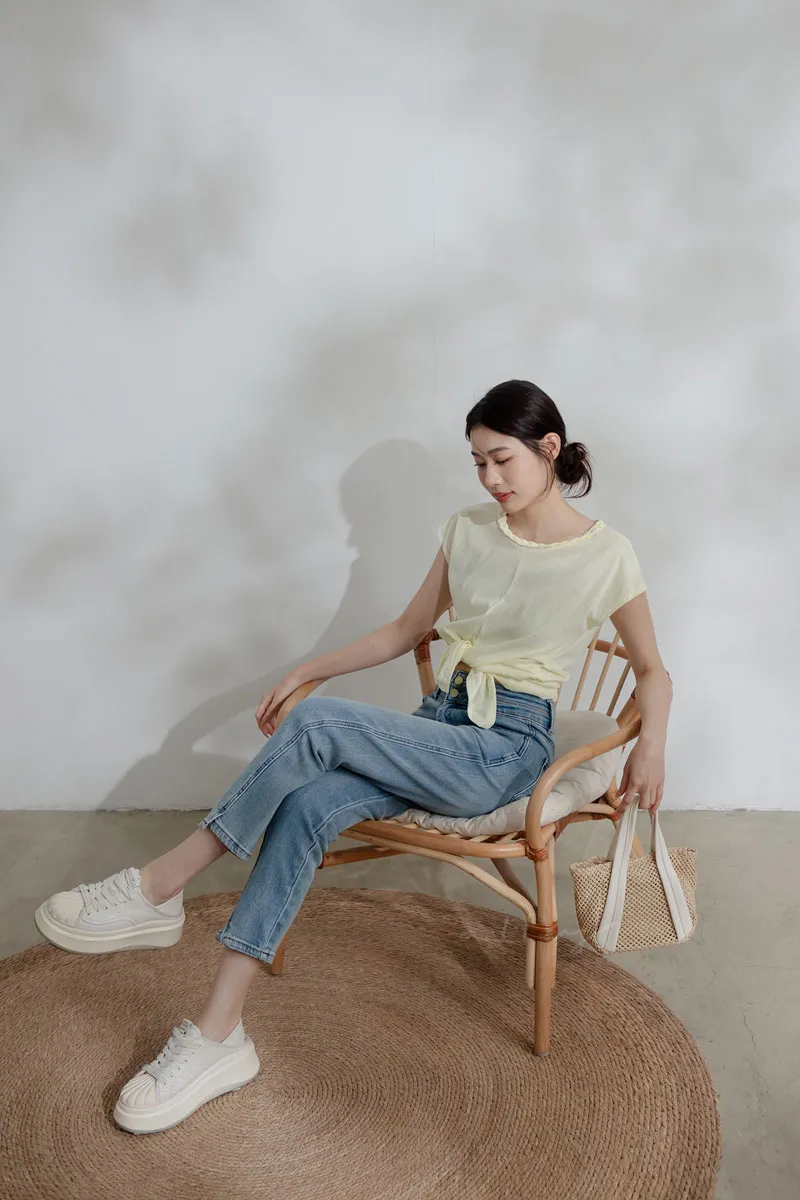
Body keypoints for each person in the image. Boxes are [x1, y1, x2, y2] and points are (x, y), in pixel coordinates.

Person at [34, 378, 672, 1134]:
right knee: (306, 804)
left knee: (318, 725)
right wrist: (308, 670)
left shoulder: (606, 554)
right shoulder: (467, 530)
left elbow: (652, 671)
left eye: (502, 459)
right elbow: (404, 631)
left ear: (549, 449)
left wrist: (651, 748)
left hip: (504, 750)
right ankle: (218, 1035)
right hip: (440, 726)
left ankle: (159, 885)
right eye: (477, 463)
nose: (489, 479)